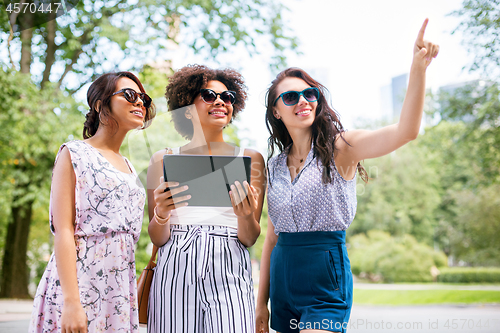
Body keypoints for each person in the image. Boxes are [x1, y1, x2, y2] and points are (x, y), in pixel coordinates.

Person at [256, 19, 439, 333]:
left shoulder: (341, 147)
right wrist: (262, 302)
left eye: (309, 94)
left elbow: (406, 132)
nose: (302, 101)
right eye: (290, 97)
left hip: (325, 276)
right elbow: (271, 236)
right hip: (283, 279)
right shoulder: (273, 166)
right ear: (276, 111)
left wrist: (418, 68)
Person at [30, 72, 155, 333]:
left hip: (119, 291)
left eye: (143, 98)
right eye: (130, 95)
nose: (140, 102)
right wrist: (71, 302)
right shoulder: (74, 153)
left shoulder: (129, 166)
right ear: (101, 105)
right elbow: (63, 229)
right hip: (79, 284)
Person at [146, 64, 266, 332]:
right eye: (209, 96)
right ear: (187, 108)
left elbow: (249, 238)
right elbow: (157, 237)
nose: (221, 101)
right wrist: (162, 214)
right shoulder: (162, 160)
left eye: (227, 97)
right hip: (175, 264)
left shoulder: (251, 160)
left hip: (229, 263)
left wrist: (246, 215)